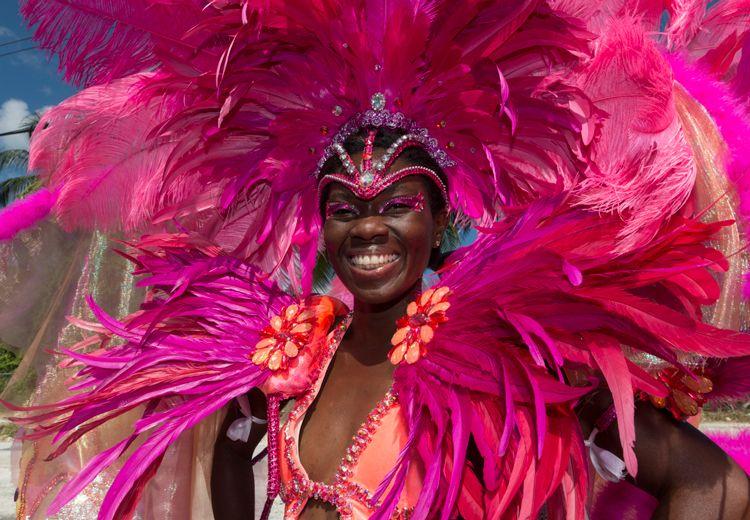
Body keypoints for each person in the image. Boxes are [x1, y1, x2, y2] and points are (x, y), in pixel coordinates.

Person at [4, 1, 750, 519]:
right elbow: (232, 448)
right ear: (318, 221)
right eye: (344, 207)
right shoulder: (285, 355)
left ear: (437, 215)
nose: (368, 228)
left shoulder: (504, 357)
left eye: (395, 203)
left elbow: (711, 483)